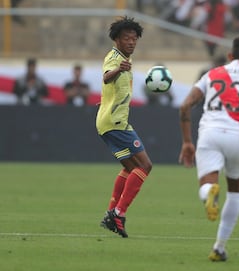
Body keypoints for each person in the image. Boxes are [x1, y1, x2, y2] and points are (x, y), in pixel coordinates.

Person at [179, 36, 239, 261]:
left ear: (230, 55)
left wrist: (186, 141)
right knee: (236, 191)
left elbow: (185, 106)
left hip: (209, 134)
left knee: (207, 184)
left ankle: (209, 192)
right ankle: (219, 247)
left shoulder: (211, 74)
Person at [96, 17, 152, 238]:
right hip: (115, 123)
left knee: (131, 169)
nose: (131, 42)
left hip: (113, 122)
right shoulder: (114, 58)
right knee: (145, 165)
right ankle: (118, 213)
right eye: (126, 38)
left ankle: (112, 212)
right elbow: (106, 77)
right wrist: (118, 70)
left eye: (134, 38)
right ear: (116, 40)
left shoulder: (126, 58)